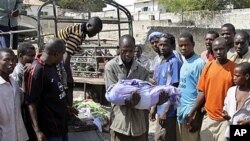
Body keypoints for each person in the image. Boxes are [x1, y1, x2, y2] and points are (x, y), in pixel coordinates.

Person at [105, 34, 167, 141]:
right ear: (119, 49)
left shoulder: (142, 70)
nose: (128, 54)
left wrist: (156, 100)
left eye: (131, 50)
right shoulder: (111, 67)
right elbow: (112, 94)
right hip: (120, 124)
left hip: (139, 126)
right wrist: (128, 99)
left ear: (135, 49)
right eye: (125, 50)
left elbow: (147, 94)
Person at [188, 37, 236, 141]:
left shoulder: (234, 69)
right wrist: (193, 112)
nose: (219, 52)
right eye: (216, 49)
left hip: (226, 120)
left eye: (221, 49)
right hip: (208, 118)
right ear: (212, 50)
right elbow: (202, 92)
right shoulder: (208, 66)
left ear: (227, 48)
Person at [26, 38, 74, 141]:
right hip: (50, 130)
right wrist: (37, 131)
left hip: (61, 125)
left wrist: (66, 107)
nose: (62, 59)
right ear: (56, 54)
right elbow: (31, 103)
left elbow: (55, 91)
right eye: (62, 55)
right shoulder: (38, 71)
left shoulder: (52, 65)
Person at [58, 16, 103, 107]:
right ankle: (69, 110)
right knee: (69, 85)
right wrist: (69, 76)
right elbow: (66, 56)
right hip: (58, 58)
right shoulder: (77, 35)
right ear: (88, 25)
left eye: (97, 33)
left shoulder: (80, 31)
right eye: (94, 31)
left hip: (59, 57)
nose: (94, 34)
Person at [152, 33, 182, 141]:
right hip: (160, 110)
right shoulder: (162, 62)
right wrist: (154, 108)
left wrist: (165, 111)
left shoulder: (174, 62)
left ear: (172, 46)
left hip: (169, 112)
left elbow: (175, 90)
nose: (162, 48)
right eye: (160, 45)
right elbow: (158, 88)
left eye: (165, 45)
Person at [177, 32, 205, 141]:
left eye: (186, 45)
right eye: (181, 45)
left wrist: (196, 115)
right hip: (182, 112)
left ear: (193, 44)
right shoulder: (185, 62)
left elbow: (202, 91)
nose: (183, 48)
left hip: (191, 114)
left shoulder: (199, 63)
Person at [0, 48, 28, 141]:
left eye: (13, 60)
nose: (11, 63)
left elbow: (21, 99)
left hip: (18, 135)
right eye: (6, 59)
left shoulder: (13, 82)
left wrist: (24, 77)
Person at [223, 62, 250, 140]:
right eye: (234, 75)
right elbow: (226, 107)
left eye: (237, 76)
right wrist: (225, 113)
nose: (234, 78)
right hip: (232, 131)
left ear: (247, 76)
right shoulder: (231, 91)